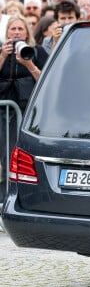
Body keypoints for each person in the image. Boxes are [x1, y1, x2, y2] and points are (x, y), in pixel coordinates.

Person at [0, 14, 48, 201]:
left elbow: (46, 81)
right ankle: (5, 199)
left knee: (20, 157)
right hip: (4, 111)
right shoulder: (2, 50)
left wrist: (28, 64)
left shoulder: (37, 51)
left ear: (27, 32)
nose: (17, 32)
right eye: (13, 29)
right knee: (6, 156)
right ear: (7, 33)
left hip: (28, 112)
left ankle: (17, 198)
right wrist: (3, 55)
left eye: (21, 29)